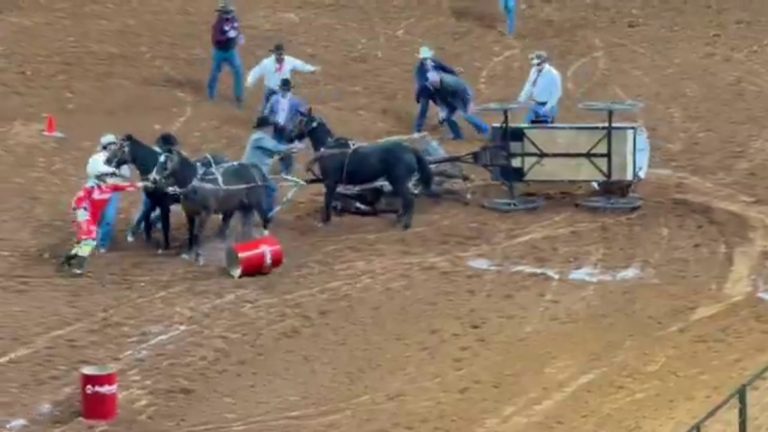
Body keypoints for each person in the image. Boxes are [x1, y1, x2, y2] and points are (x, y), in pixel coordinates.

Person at [63, 174, 145, 275]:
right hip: (85, 216)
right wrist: (82, 213)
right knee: (90, 241)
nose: (114, 180)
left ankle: (68, 259)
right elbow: (77, 201)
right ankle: (78, 268)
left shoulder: (111, 187)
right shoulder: (90, 188)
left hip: (94, 217)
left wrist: (144, 184)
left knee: (84, 242)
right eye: (111, 178)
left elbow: (127, 186)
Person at [242, 116, 299, 216]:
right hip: (253, 171)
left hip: (254, 170)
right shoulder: (260, 138)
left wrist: (292, 149)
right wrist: (294, 146)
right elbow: (277, 148)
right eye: (271, 127)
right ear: (266, 127)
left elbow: (278, 151)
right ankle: (265, 215)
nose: (272, 129)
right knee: (271, 189)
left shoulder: (260, 137)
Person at [86, 134, 132, 252]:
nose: (112, 147)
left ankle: (102, 244)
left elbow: (127, 174)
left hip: (112, 192)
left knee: (109, 219)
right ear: (105, 147)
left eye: (114, 145)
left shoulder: (121, 159)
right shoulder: (96, 158)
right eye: (110, 145)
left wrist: (118, 171)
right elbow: (91, 172)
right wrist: (111, 170)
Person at [245, 43, 319, 115]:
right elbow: (256, 71)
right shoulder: (267, 63)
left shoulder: (289, 60)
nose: (280, 56)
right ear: (274, 54)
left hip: (284, 90)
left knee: (286, 111)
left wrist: (311, 69)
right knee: (266, 112)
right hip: (271, 90)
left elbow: (300, 65)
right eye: (278, 54)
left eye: (281, 54)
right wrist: (250, 81)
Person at [264, 78, 309, 175]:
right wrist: (272, 120)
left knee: (286, 148)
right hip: (276, 127)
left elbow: (303, 113)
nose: (284, 91)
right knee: (275, 146)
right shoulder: (274, 99)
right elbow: (267, 112)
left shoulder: (295, 101)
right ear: (280, 89)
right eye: (283, 89)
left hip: (288, 129)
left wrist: (296, 124)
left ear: (289, 89)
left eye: (286, 89)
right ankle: (276, 167)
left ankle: (287, 170)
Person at [426, 71, 490, 140]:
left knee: (467, 115)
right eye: (433, 83)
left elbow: (464, 91)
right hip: (450, 98)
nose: (435, 84)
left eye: (436, 82)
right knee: (448, 118)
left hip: (463, 95)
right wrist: (442, 111)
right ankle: (458, 135)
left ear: (439, 79)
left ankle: (485, 130)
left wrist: (469, 104)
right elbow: (439, 99)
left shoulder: (450, 83)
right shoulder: (432, 87)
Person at [413, 46, 460, 134]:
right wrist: (427, 83)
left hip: (436, 89)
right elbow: (420, 80)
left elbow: (446, 69)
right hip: (425, 91)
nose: (426, 59)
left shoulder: (435, 62)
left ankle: (442, 117)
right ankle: (417, 130)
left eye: (427, 57)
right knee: (423, 109)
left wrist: (454, 72)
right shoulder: (420, 68)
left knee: (447, 105)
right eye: (424, 58)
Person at [207, 0, 245, 108]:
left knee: (238, 72)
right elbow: (215, 38)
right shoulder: (218, 24)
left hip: (231, 51)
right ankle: (211, 95)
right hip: (219, 52)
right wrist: (227, 36)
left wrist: (239, 36)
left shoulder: (234, 19)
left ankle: (239, 97)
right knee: (215, 72)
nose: (229, 14)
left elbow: (237, 30)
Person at [517, 51, 562, 124]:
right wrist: (521, 99)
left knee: (543, 130)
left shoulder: (553, 74)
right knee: (526, 125)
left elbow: (556, 93)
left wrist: (547, 108)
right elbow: (529, 85)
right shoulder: (534, 71)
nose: (535, 66)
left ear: (544, 63)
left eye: (537, 64)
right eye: (534, 64)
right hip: (536, 105)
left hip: (548, 106)